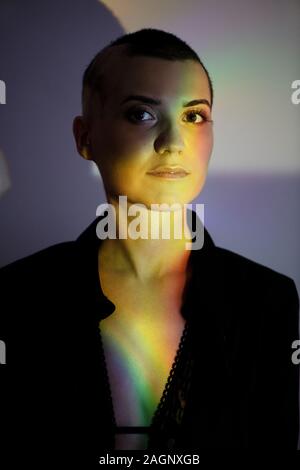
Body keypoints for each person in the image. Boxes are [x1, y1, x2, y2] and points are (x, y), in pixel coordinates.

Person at [0, 28, 299, 460]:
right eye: (141, 114)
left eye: (194, 116)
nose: (173, 144)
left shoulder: (268, 301)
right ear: (85, 138)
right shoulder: (17, 295)